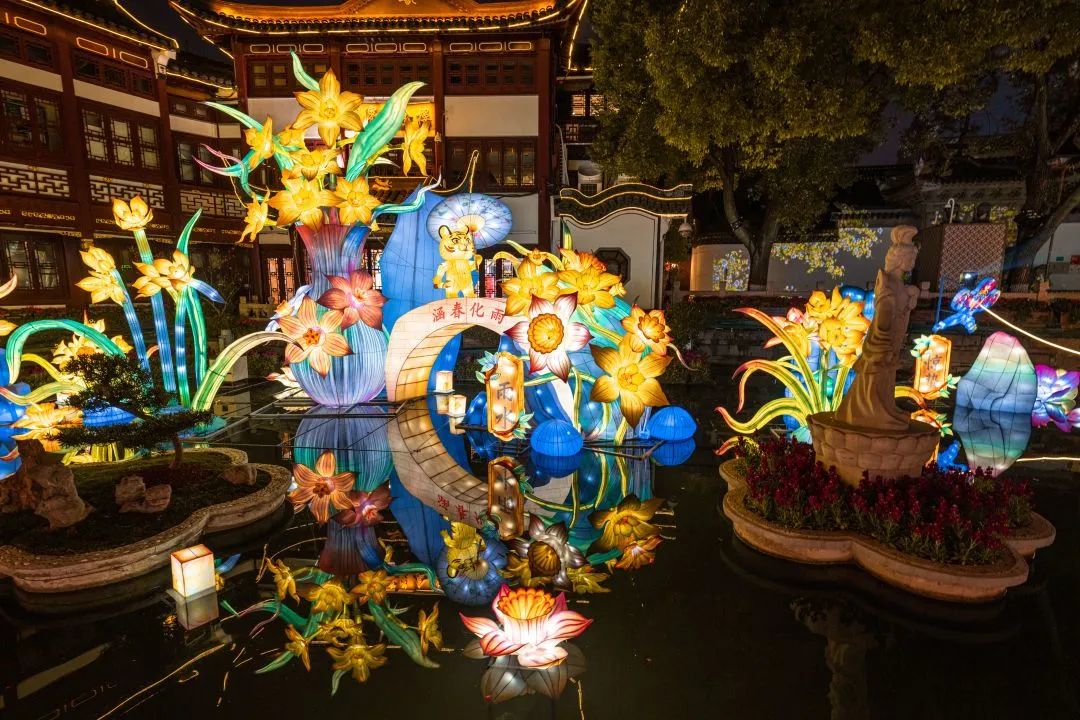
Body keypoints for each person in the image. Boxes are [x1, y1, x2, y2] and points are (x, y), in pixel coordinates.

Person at [834, 226, 920, 431]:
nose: (912, 262)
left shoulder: (900, 284)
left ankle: (885, 407)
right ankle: (874, 412)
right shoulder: (887, 281)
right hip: (883, 336)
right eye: (910, 257)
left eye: (914, 258)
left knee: (886, 376)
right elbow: (884, 309)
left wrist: (911, 295)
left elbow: (901, 308)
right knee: (876, 374)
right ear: (899, 258)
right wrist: (882, 336)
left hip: (893, 336)